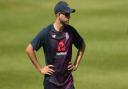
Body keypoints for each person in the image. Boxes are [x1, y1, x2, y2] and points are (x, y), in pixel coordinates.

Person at [26, 1, 85, 89]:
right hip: (51, 82)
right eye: (66, 14)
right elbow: (29, 49)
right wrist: (40, 69)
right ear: (58, 15)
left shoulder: (71, 31)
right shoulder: (46, 32)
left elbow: (82, 45)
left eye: (69, 14)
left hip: (68, 82)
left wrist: (76, 64)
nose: (69, 17)